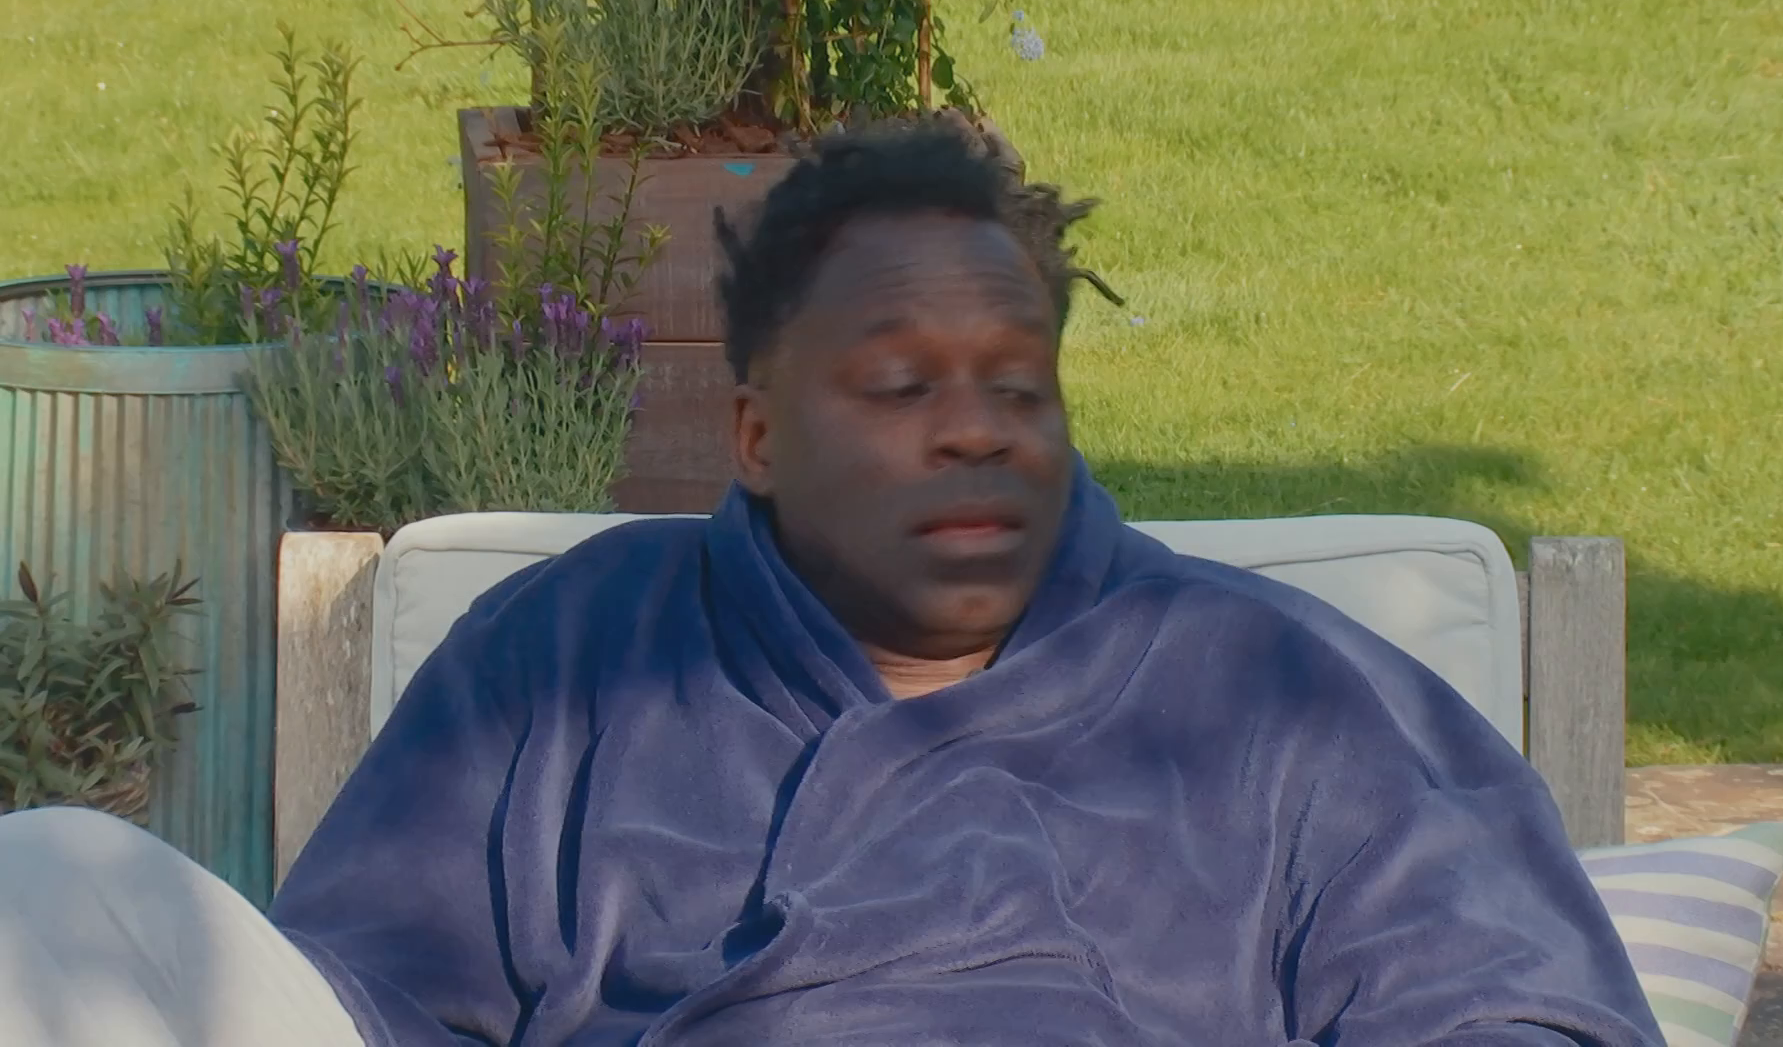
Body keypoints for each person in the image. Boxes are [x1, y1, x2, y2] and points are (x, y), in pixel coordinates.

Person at [0, 125, 1662, 1047]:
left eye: (1016, 385)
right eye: (900, 385)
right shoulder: (565, 662)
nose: (976, 432)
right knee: (54, 870)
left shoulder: (1283, 697)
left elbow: (1517, 1013)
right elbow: (356, 1004)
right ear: (757, 434)